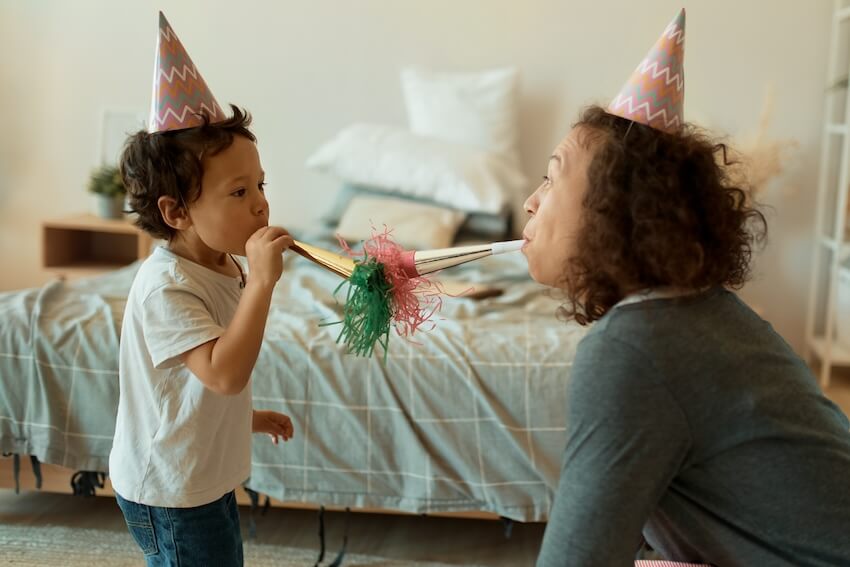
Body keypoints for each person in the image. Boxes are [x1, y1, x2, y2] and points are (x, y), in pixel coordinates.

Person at [523, 9, 850, 567]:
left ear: (612, 210)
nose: (531, 200)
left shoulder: (631, 350)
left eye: (553, 176)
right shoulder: (705, 314)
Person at [108, 13, 294, 566]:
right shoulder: (167, 287)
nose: (260, 203)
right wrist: (262, 281)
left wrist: (247, 420)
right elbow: (224, 372)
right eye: (238, 192)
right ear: (177, 211)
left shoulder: (221, 262)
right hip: (168, 487)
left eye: (260, 185)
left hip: (199, 469)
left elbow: (205, 385)